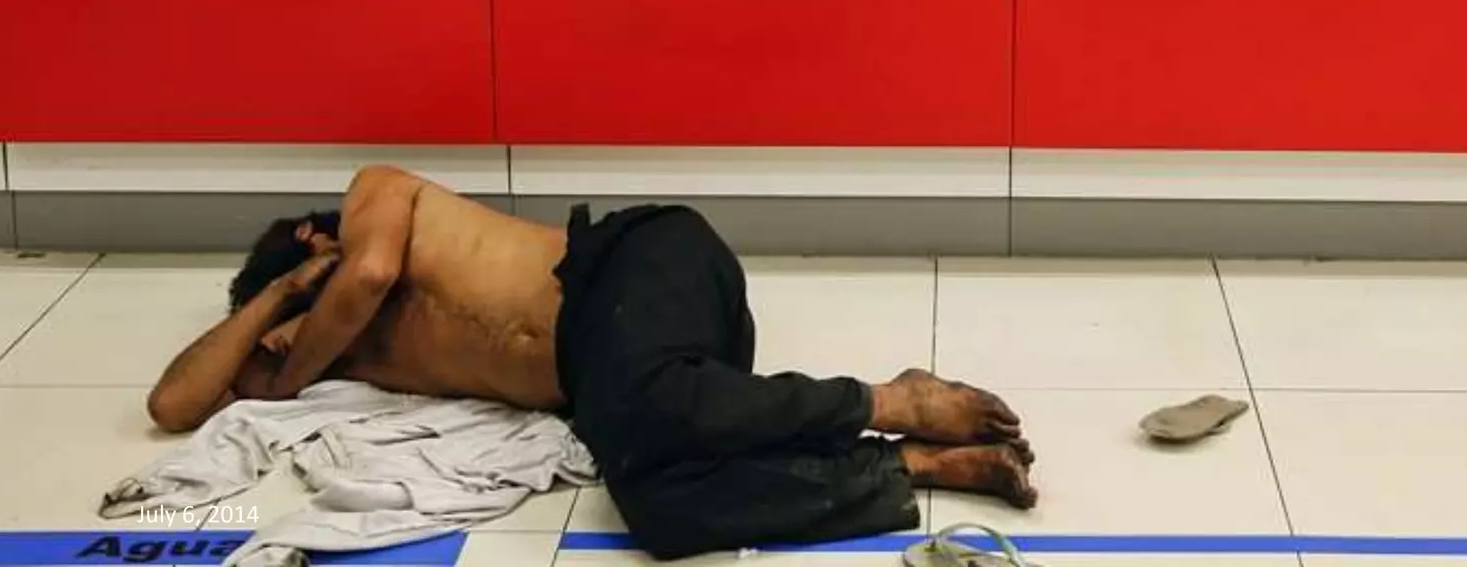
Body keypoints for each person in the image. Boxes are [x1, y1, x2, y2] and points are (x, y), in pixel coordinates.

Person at [147, 166, 1037, 558]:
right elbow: (176, 405)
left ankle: (892, 398)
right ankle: (906, 465)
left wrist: (312, 290)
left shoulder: (373, 199)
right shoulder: (333, 351)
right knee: (656, 508)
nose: (296, 349)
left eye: (297, 304)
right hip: (629, 383)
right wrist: (271, 302)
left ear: (313, 240)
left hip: (639, 264)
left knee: (650, 401)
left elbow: (370, 270)